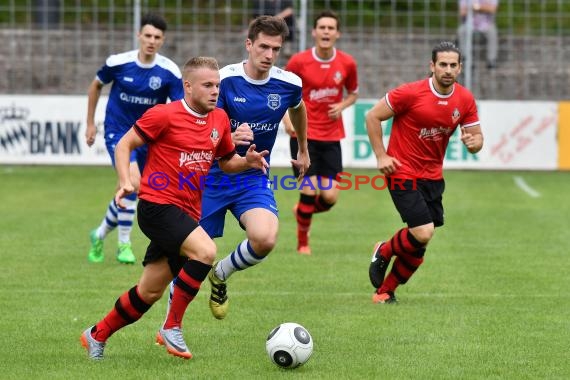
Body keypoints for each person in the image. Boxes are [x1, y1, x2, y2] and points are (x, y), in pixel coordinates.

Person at [80, 56, 270, 360]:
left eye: (217, 86)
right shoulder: (163, 115)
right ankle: (172, 326)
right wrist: (124, 181)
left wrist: (245, 162)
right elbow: (124, 144)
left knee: (149, 292)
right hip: (157, 207)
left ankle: (96, 334)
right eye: (207, 85)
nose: (214, 91)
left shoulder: (219, 119)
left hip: (187, 213)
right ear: (188, 86)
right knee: (206, 252)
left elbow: (225, 162)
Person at [159, 15, 309, 326]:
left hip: (251, 175)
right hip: (209, 176)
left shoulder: (289, 83)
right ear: (249, 44)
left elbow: (298, 107)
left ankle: (222, 273)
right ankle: (172, 325)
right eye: (263, 47)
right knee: (185, 257)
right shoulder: (223, 80)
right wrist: (227, 134)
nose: (269, 55)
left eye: (276, 49)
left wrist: (303, 150)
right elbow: (197, 121)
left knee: (265, 238)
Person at [365, 41, 484, 304]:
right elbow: (373, 117)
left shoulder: (464, 99)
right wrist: (381, 155)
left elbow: (477, 138)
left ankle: (385, 292)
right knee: (423, 231)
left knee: (420, 244)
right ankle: (384, 250)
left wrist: (475, 144)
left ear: (460, 68)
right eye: (443, 64)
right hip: (401, 170)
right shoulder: (410, 93)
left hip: (432, 176)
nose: (448, 70)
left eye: (453, 65)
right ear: (432, 66)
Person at [85, 13, 184, 264]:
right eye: (148, 35)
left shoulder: (169, 71)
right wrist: (89, 123)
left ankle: (98, 234)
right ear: (139, 35)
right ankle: (124, 245)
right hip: (118, 133)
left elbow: (179, 107)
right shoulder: (118, 62)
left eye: (157, 37)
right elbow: (96, 85)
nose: (151, 40)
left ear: (163, 41)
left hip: (148, 137)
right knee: (132, 183)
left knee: (130, 188)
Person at [285, 9, 359, 255]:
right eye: (322, 27)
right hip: (303, 136)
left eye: (331, 28)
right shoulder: (298, 61)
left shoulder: (347, 63)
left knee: (329, 197)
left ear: (337, 33)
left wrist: (343, 105)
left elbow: (353, 93)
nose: (326, 31)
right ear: (314, 32)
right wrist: (287, 120)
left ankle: (302, 211)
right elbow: (282, 92)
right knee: (309, 189)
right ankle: (302, 243)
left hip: (331, 136)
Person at [457, 0, 499, 69]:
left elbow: (493, 9)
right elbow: (462, 12)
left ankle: (491, 61)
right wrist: (483, 8)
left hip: (486, 24)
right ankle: (467, 60)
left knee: (492, 32)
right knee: (461, 31)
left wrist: (476, 7)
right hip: (469, 25)